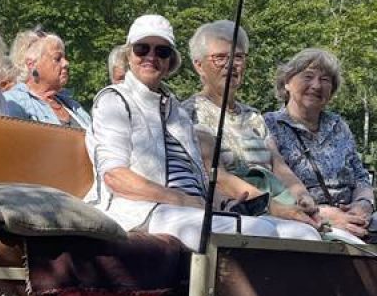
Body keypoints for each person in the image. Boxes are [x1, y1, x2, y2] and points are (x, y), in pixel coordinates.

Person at [85, 14, 319, 252]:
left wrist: (225, 203)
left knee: (303, 234)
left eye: (162, 51)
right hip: (139, 209)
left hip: (188, 210)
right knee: (259, 233)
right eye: (142, 48)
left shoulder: (176, 112)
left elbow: (200, 180)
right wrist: (182, 199)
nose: (151, 57)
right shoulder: (114, 100)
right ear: (129, 55)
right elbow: (115, 177)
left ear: (171, 61)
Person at [183, 20, 323, 236]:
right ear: (198, 65)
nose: (231, 65)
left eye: (238, 57)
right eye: (220, 57)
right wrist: (273, 207)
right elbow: (216, 175)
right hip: (237, 209)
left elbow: (278, 165)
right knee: (305, 236)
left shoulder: (253, 116)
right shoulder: (191, 113)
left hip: (278, 204)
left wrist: (303, 197)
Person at [265, 48, 375, 241]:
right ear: (287, 82)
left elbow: (360, 177)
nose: (316, 85)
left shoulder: (339, 126)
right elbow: (270, 187)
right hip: (305, 221)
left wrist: (363, 204)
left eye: (325, 80)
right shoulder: (268, 125)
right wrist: (325, 215)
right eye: (308, 76)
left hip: (354, 216)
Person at [4, 29, 91, 129]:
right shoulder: (14, 102)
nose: (66, 63)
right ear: (32, 65)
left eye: (64, 58)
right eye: (57, 58)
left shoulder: (72, 105)